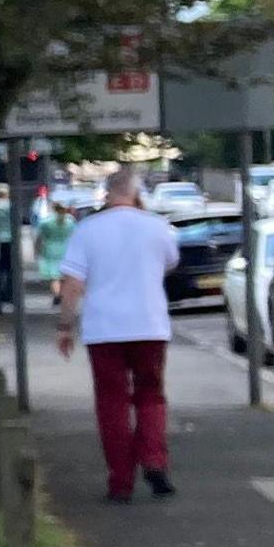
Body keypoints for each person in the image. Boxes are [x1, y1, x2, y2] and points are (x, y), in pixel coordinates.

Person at [56, 165, 184, 503]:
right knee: (151, 396)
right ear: (137, 193)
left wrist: (65, 326)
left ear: (107, 195)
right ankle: (154, 459)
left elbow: (72, 285)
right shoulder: (158, 228)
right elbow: (170, 263)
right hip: (150, 326)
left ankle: (121, 481)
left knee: (111, 403)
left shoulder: (87, 230)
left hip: (104, 330)